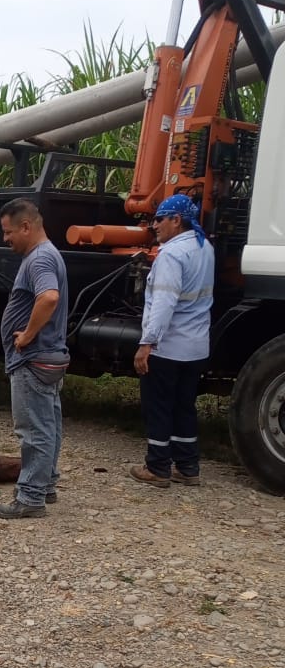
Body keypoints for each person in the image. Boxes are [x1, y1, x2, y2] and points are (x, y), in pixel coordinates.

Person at [130, 194, 215, 488]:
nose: (154, 225)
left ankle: (157, 467)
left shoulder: (171, 255)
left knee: (158, 407)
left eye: (159, 219)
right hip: (195, 346)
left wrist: (147, 344)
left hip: (168, 347)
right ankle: (188, 466)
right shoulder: (205, 248)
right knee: (183, 406)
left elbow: (164, 303)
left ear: (176, 220)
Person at [0, 198, 69, 520]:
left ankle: (30, 497)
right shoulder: (48, 254)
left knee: (33, 430)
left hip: (33, 359)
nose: (5, 239)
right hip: (48, 357)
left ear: (26, 226)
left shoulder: (39, 259)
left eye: (8, 232)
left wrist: (25, 335)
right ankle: (46, 483)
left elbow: (48, 297)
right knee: (48, 425)